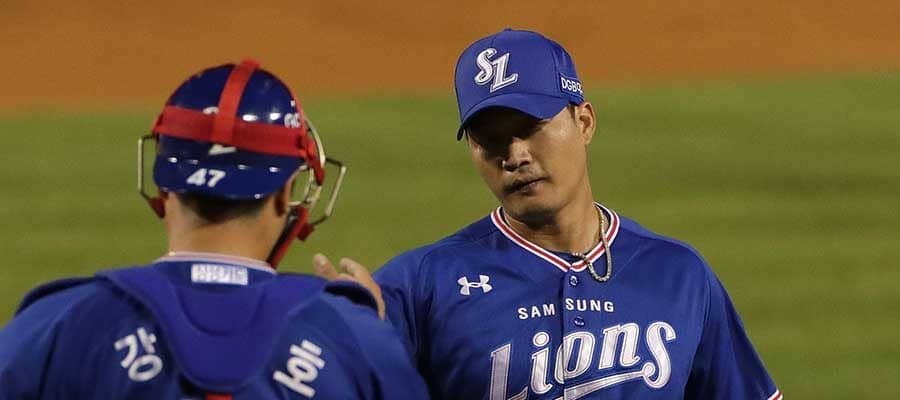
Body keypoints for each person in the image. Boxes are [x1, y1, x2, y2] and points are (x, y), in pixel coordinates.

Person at [319, 29, 782, 399]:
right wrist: (342, 346)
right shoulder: (422, 285)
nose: (514, 155)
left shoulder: (679, 276)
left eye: (531, 127)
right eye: (490, 140)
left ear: (584, 122)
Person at [0, 59, 428, 400]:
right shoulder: (355, 340)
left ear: (163, 186)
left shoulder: (54, 327)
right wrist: (374, 336)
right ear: (285, 195)